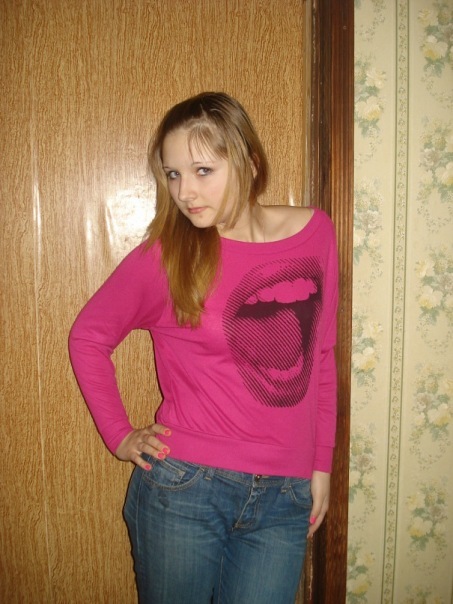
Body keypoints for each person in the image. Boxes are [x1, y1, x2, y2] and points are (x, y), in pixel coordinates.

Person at [69, 91, 338, 604]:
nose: (185, 192)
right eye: (173, 174)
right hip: (187, 489)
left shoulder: (314, 233)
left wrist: (320, 464)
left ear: (249, 162)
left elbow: (321, 355)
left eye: (202, 171)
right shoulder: (167, 256)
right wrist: (120, 436)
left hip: (285, 494)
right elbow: (88, 337)